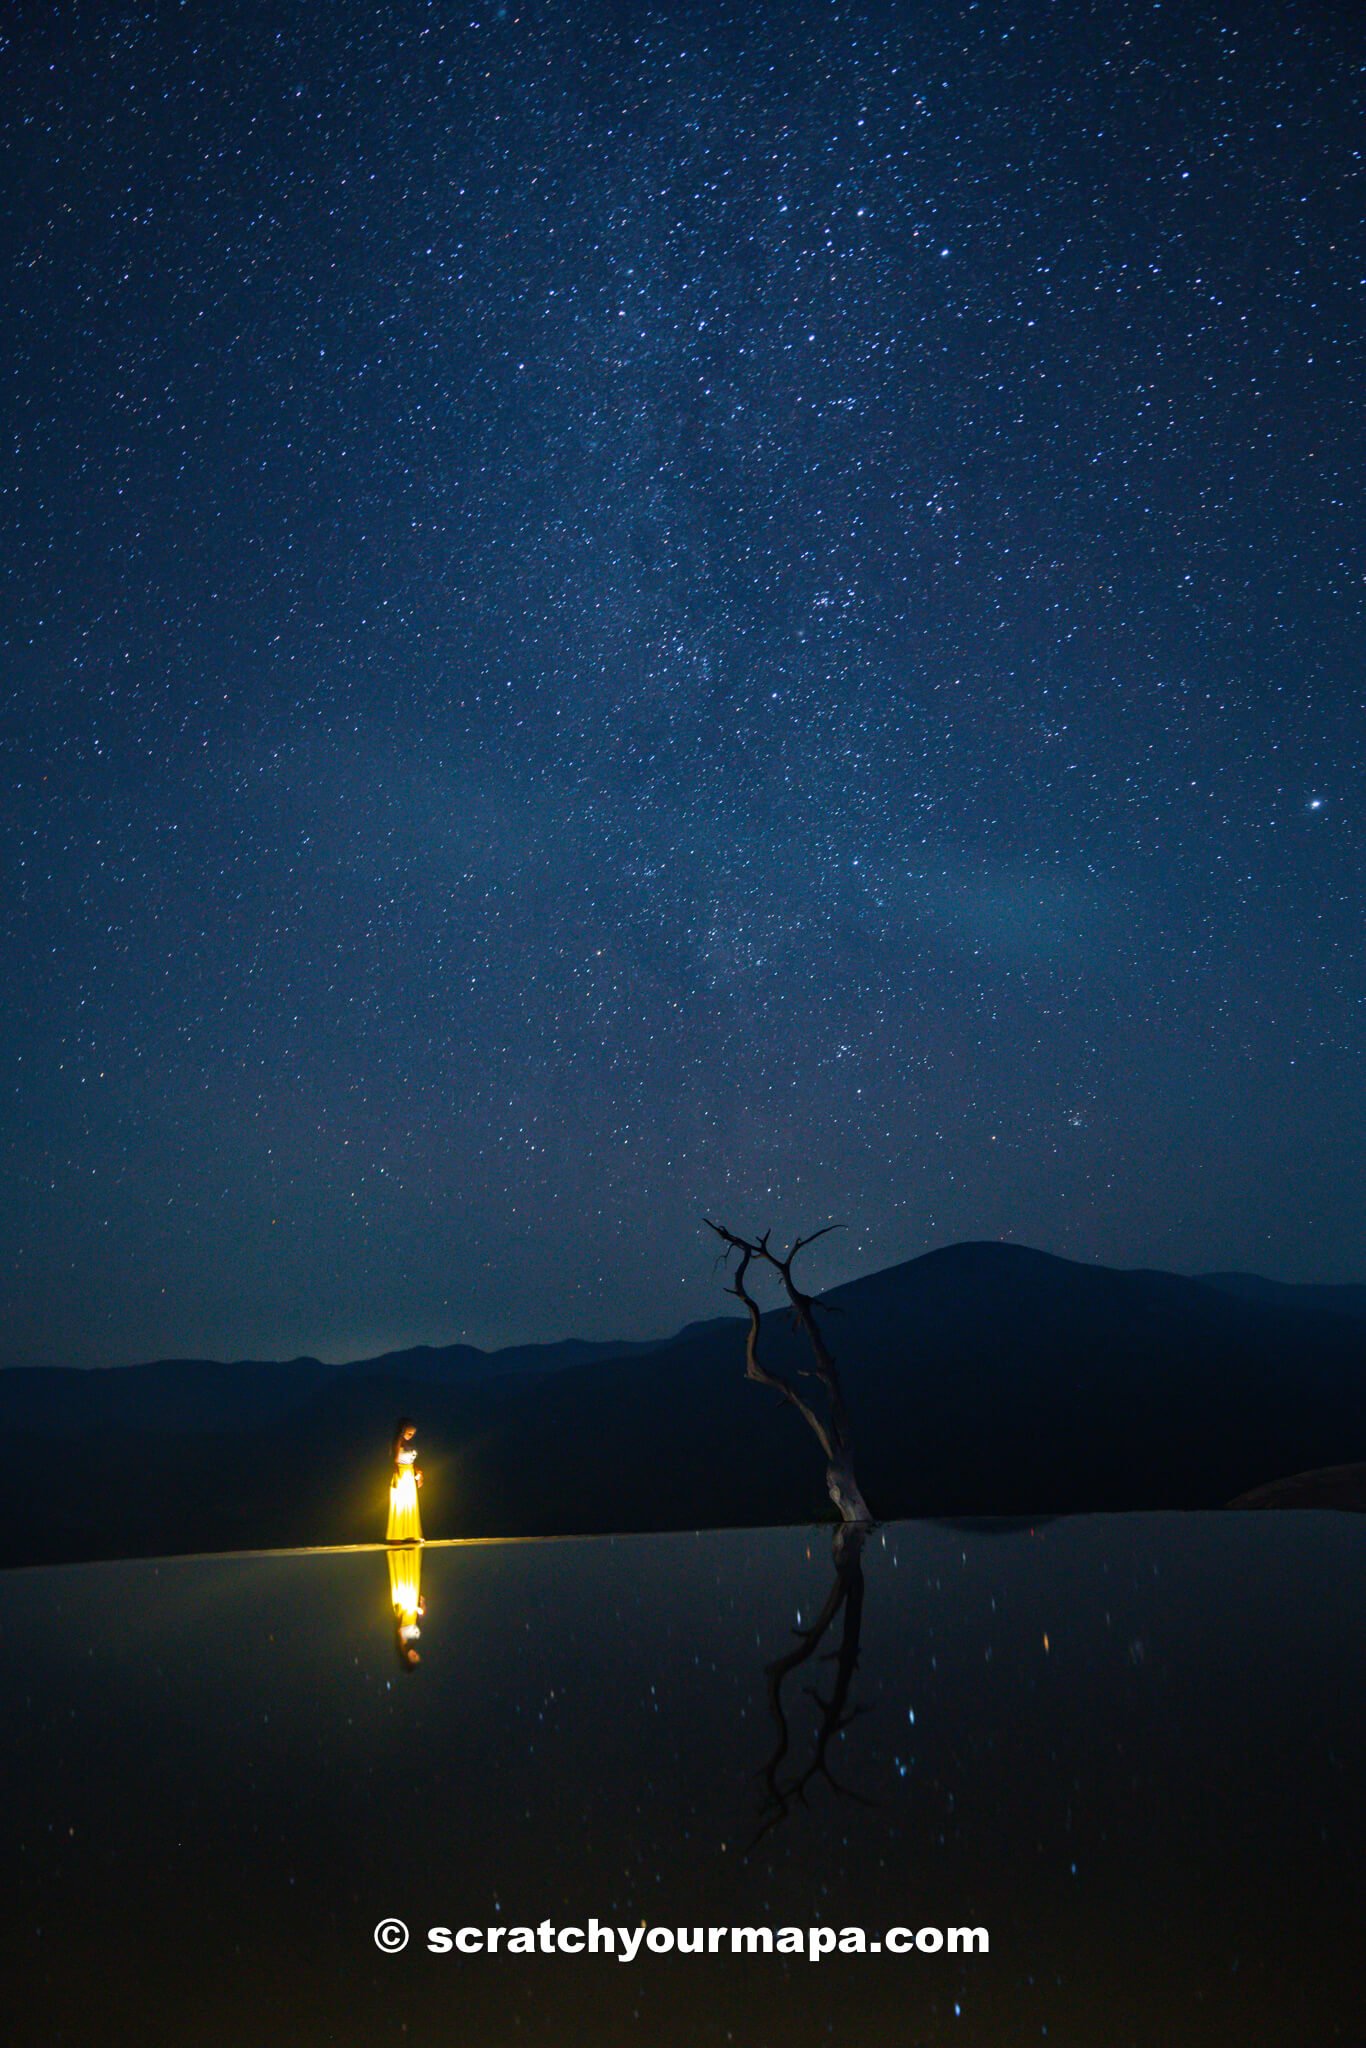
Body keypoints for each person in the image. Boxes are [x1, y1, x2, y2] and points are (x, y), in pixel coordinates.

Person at [386, 1416, 423, 1544]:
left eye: (412, 1434)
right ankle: (396, 1536)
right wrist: (397, 1476)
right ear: (402, 1431)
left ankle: (410, 1535)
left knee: (410, 1504)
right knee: (399, 1505)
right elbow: (394, 1460)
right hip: (401, 1473)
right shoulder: (398, 1441)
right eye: (409, 1433)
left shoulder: (409, 1443)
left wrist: (418, 1471)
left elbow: (411, 1461)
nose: (411, 1436)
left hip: (409, 1474)